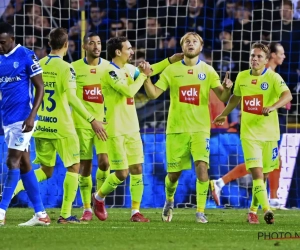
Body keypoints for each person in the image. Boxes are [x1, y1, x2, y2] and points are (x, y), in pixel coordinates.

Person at [11, 27, 107, 224]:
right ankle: (65, 214)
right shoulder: (67, 68)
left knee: (45, 170)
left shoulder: (38, 64)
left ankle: (9, 190)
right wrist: (92, 119)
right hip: (62, 127)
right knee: (74, 167)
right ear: (66, 45)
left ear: (49, 44)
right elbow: (72, 98)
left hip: (41, 125)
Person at [143, 32, 233, 223]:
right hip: (176, 129)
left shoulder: (208, 71)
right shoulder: (171, 71)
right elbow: (153, 95)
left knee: (202, 167)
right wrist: (146, 78)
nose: (191, 44)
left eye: (195, 42)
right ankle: (169, 200)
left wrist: (228, 88)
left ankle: (200, 211)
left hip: (200, 129)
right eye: (187, 42)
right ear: (182, 47)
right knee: (173, 175)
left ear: (201, 47)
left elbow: (223, 98)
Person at [92, 36, 183, 222]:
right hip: (115, 129)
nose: (132, 52)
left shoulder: (129, 69)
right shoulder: (109, 72)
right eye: (129, 48)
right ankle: (98, 197)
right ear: (118, 52)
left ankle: (135, 212)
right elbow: (129, 91)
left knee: (137, 168)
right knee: (121, 173)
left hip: (132, 127)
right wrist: (143, 75)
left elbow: (151, 70)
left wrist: (170, 60)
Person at [213, 42, 292, 224]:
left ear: (266, 60)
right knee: (257, 173)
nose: (254, 59)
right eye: (252, 56)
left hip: (270, 135)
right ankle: (267, 210)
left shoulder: (273, 78)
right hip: (249, 135)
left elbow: (288, 96)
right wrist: (223, 114)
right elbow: (235, 98)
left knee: (263, 176)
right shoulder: (242, 76)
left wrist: (272, 107)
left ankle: (252, 211)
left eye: (259, 57)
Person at [0, 22, 50, 226]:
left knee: (12, 161)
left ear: (12, 39)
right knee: (24, 163)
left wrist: (32, 115)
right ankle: (41, 214)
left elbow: (40, 87)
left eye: (2, 42)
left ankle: (1, 211)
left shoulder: (26, 55)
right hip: (7, 120)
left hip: (24, 119)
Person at [71, 32, 110, 221]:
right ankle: (87, 208)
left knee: (105, 163)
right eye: (92, 43)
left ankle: (99, 198)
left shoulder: (109, 67)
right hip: (82, 124)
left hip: (103, 124)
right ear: (84, 47)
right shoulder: (74, 68)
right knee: (85, 166)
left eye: (99, 43)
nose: (96, 46)